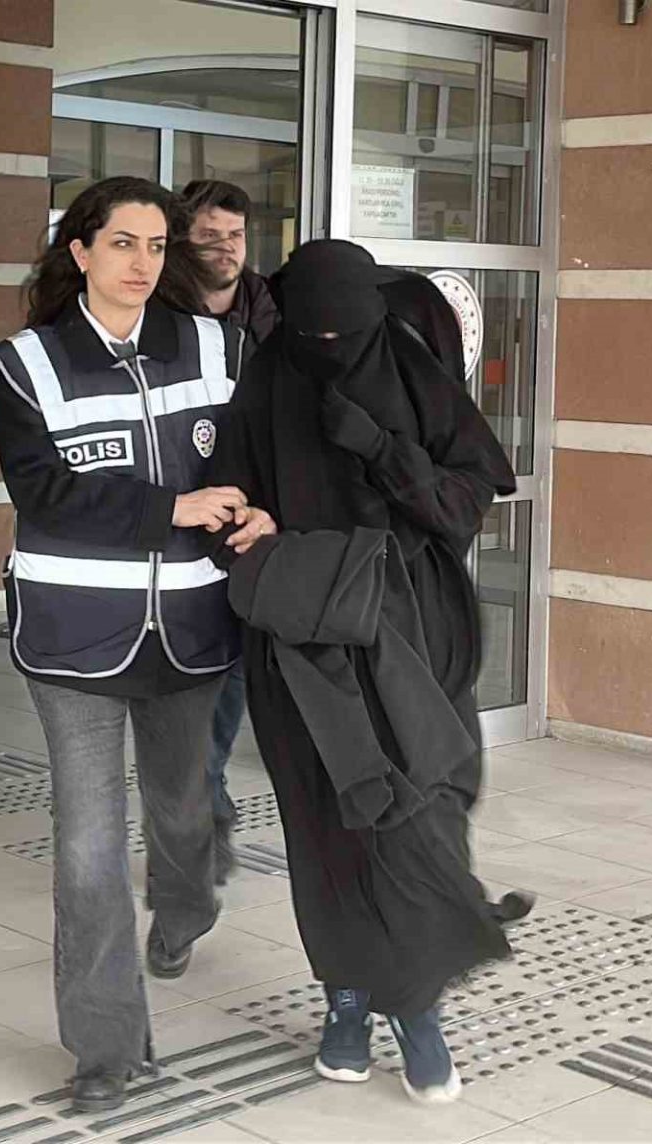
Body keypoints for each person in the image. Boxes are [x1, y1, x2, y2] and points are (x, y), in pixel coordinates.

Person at [0, 176, 276, 1114]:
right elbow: (43, 493)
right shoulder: (26, 364)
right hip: (74, 635)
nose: (141, 263)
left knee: (182, 807)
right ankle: (104, 1047)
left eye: (156, 246)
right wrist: (169, 508)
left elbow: (255, 455)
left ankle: (185, 908)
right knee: (88, 845)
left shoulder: (218, 347)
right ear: (80, 252)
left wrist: (255, 504)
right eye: (122, 244)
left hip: (191, 628)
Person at [210, 239, 521, 1105]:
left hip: (413, 636)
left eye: (343, 331)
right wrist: (245, 526)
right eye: (311, 333)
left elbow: (463, 503)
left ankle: (415, 1005)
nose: (328, 347)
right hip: (304, 641)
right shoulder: (267, 383)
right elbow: (225, 505)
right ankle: (347, 1002)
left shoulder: (413, 379)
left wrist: (381, 448)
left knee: (422, 815)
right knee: (325, 828)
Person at [178, 179, 280, 884]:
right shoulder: (158, 318)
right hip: (176, 527)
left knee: (231, 682)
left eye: (235, 236)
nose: (225, 249)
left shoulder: (276, 317)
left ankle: (205, 809)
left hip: (249, 530)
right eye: (209, 236)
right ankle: (200, 819)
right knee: (188, 697)